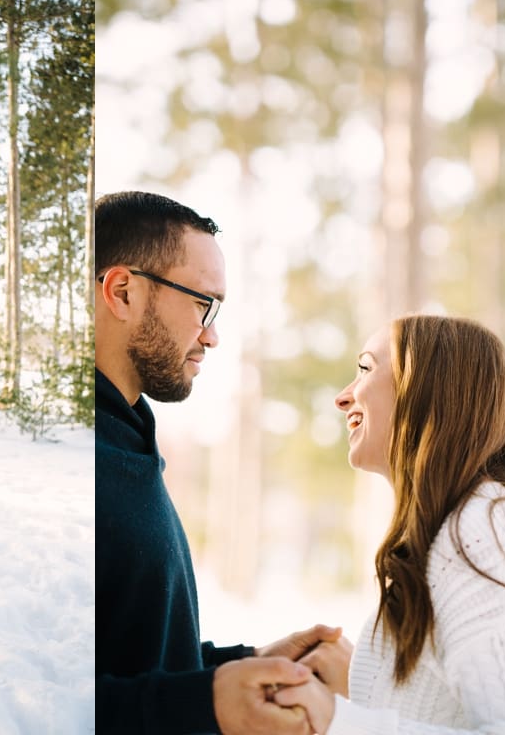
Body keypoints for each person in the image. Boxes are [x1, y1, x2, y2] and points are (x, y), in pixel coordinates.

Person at [273, 315, 505, 733]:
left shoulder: (486, 531)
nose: (343, 398)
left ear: (431, 390)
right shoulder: (459, 529)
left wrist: (337, 719)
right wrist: (357, 688)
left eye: (365, 368)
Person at [95, 190, 345, 735]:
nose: (212, 335)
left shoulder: (129, 434)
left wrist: (243, 662)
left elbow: (129, 655)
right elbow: (48, 694)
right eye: (202, 303)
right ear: (122, 291)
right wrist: (205, 704)